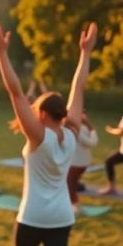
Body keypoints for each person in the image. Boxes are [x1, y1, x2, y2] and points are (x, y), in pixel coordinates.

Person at [0, 21, 96, 246]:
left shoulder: (38, 136)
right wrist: (85, 53)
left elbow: (15, 91)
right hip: (63, 215)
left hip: (33, 215)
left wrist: (0, 55)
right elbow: (79, 89)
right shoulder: (73, 134)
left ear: (45, 114)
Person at [33, 80, 99, 213]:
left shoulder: (75, 131)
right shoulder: (75, 130)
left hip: (78, 162)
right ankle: (72, 204)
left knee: (70, 183)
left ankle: (75, 205)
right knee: (70, 183)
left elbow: (91, 142)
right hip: (79, 162)